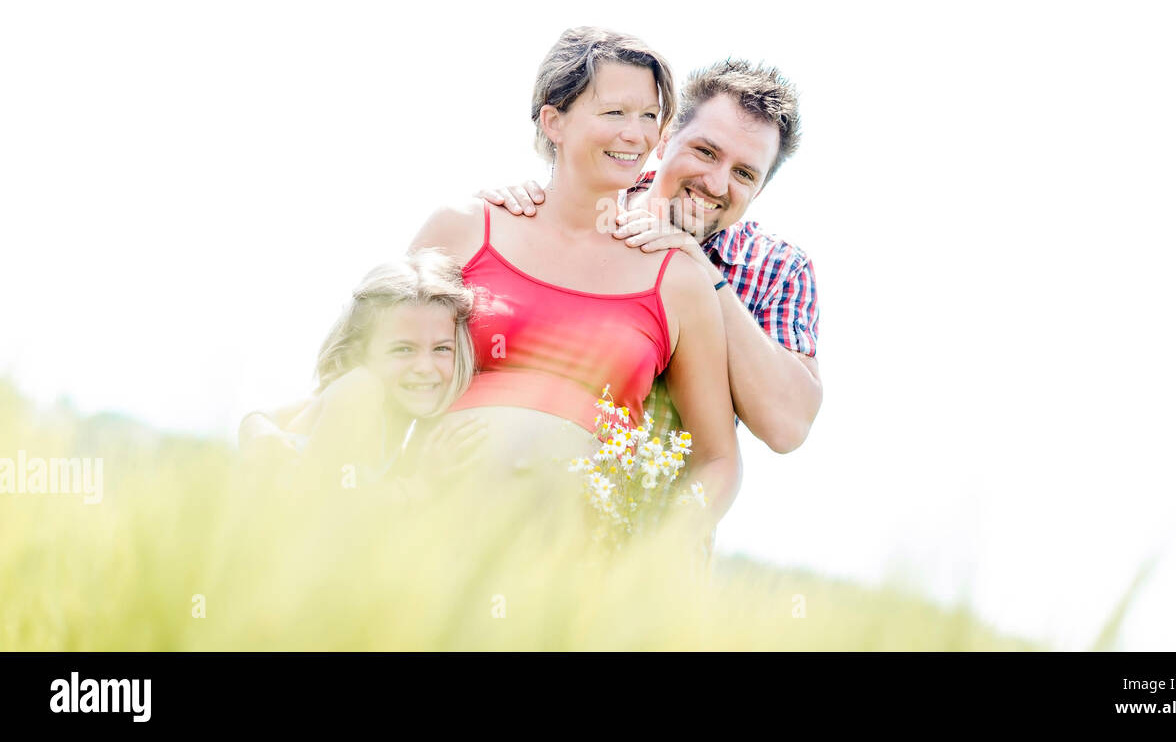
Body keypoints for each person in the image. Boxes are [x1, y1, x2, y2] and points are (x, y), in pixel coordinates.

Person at [407, 26, 740, 523]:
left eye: (650, 116)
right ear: (553, 121)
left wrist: (658, 547)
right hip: (429, 526)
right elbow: (369, 369)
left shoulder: (679, 280)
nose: (637, 134)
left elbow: (718, 460)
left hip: (575, 561)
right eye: (615, 112)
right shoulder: (463, 228)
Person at [480, 58, 822, 454]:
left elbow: (786, 427)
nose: (716, 183)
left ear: (759, 190)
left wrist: (703, 272)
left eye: (744, 174)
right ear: (663, 139)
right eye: (706, 151)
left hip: (655, 511)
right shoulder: (588, 205)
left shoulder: (776, 268)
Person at [238, 249, 487, 493]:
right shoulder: (358, 391)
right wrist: (419, 486)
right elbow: (317, 503)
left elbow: (257, 419)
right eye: (403, 349)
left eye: (442, 348)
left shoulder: (397, 419)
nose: (423, 367)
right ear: (360, 352)